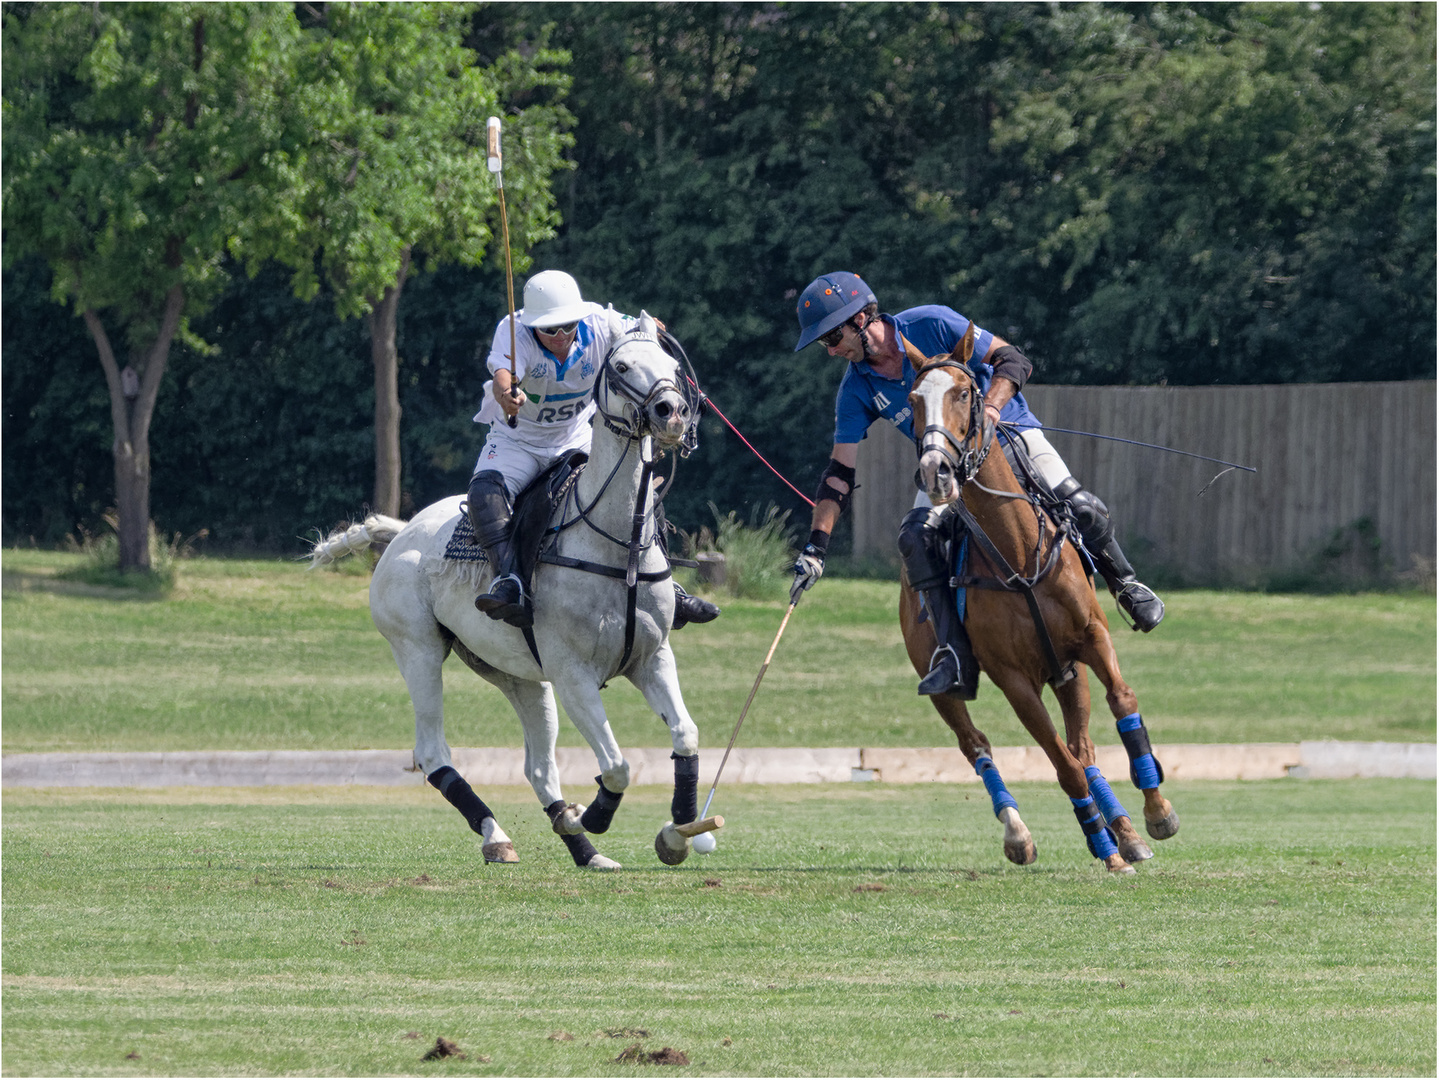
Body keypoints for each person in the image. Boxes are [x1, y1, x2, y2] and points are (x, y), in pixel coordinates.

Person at [788, 271, 1163, 699]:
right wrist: (816, 549)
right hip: (947, 466)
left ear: (859, 319)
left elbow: (1013, 360)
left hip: (1010, 433)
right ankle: (954, 655)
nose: (831, 351)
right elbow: (839, 474)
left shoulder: (932, 323)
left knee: (1080, 505)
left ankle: (1127, 584)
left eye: (831, 339)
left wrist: (992, 411)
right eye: (825, 344)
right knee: (914, 537)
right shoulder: (855, 389)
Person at [467, 269, 719, 631]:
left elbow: (643, 331)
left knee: (637, 488)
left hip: (576, 437)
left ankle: (668, 590)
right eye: (549, 328)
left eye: (567, 325)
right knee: (484, 490)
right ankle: (510, 581)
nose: (560, 335)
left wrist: (656, 333)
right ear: (533, 323)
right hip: (518, 440)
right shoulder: (514, 330)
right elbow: (503, 374)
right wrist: (507, 395)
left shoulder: (600, 322)